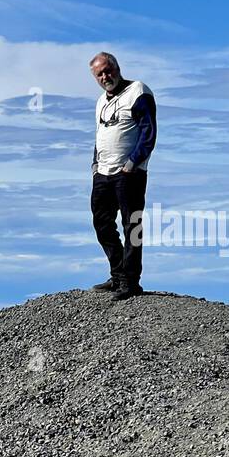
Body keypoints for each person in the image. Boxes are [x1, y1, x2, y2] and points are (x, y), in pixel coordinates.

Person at [88, 52, 156, 300]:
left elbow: (149, 132)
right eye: (100, 74)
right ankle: (117, 275)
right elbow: (100, 135)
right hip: (103, 174)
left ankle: (130, 282)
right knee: (102, 223)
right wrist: (95, 165)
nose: (106, 76)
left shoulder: (138, 91)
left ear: (117, 67)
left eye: (108, 70)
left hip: (129, 174)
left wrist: (132, 164)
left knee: (132, 226)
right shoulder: (100, 102)